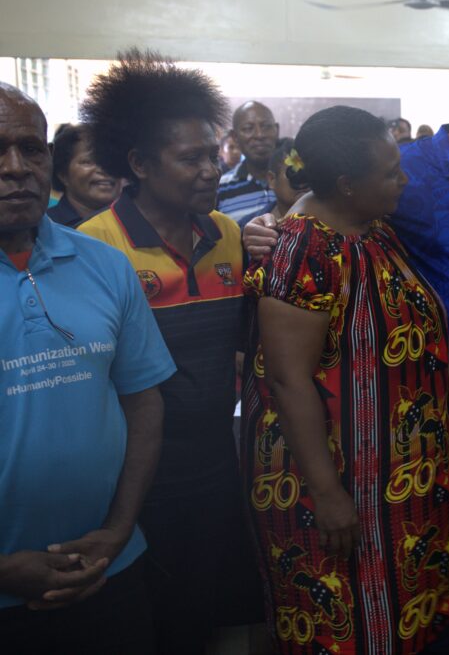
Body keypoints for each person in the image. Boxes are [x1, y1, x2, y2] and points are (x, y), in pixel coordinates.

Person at [244, 63, 449, 655]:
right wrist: (271, 229)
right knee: (355, 595)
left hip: (448, 431)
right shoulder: (381, 189)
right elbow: (288, 374)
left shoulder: (383, 224)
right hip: (373, 447)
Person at [241, 105, 449, 654]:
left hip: (390, 480)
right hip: (337, 482)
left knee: (394, 620)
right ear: (347, 185)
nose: (403, 179)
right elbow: (289, 381)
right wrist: (327, 494)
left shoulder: (370, 230)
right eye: (391, 172)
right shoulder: (304, 252)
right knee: (347, 625)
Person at [78, 50, 263, 655]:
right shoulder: (96, 248)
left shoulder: (228, 234)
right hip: (139, 475)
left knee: (216, 612)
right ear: (138, 164)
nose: (212, 169)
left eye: (214, 154)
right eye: (191, 158)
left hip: (220, 462)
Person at [0, 82, 175, 654]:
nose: (16, 168)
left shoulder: (104, 264)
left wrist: (119, 530)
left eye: (32, 148)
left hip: (111, 568)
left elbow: (142, 401)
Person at [46, 124, 122, 227]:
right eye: (88, 162)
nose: (104, 169)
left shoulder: (134, 223)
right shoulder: (46, 226)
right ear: (63, 175)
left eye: (110, 160)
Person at [217, 101, 280, 226]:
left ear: (277, 130)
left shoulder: (297, 181)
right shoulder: (221, 188)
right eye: (248, 128)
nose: (259, 135)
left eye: (266, 126)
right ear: (234, 137)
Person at [263, 137, 308, 219]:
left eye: (306, 172)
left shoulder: (331, 220)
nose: (302, 180)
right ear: (272, 179)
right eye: (293, 172)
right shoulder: (252, 227)